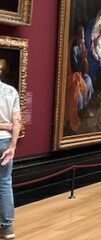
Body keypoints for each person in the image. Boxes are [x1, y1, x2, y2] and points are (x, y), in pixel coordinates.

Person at [0, 59, 21, 239]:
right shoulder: (11, 91)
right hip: (6, 143)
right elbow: (17, 122)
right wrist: (13, 146)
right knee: (5, 183)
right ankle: (7, 228)